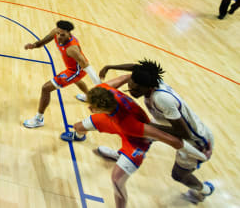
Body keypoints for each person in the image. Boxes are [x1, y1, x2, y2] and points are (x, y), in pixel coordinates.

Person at [60, 78, 208, 208]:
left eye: (92, 107)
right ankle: (81, 137)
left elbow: (173, 140)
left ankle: (203, 190)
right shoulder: (104, 90)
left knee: (117, 181)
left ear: (101, 108)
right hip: (114, 120)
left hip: (136, 139)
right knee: (78, 126)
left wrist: (200, 155)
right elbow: (127, 76)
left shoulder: (132, 126)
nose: (89, 108)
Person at [96, 60, 214, 203]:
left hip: (195, 140)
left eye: (137, 90)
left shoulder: (161, 99)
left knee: (179, 175)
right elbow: (137, 67)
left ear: (149, 87)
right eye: (130, 86)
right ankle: (123, 155)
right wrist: (111, 65)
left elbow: (184, 133)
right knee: (136, 134)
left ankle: (204, 190)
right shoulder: (150, 78)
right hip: (172, 125)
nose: (132, 91)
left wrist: (148, 127)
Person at [22, 20, 102, 128]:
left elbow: (86, 65)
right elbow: (45, 40)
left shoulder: (72, 49)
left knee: (46, 88)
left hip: (76, 71)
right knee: (76, 81)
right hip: (71, 67)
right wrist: (34, 45)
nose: (59, 36)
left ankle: (38, 119)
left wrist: (99, 85)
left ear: (69, 34)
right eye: (58, 33)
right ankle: (90, 97)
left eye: (62, 35)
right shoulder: (56, 32)